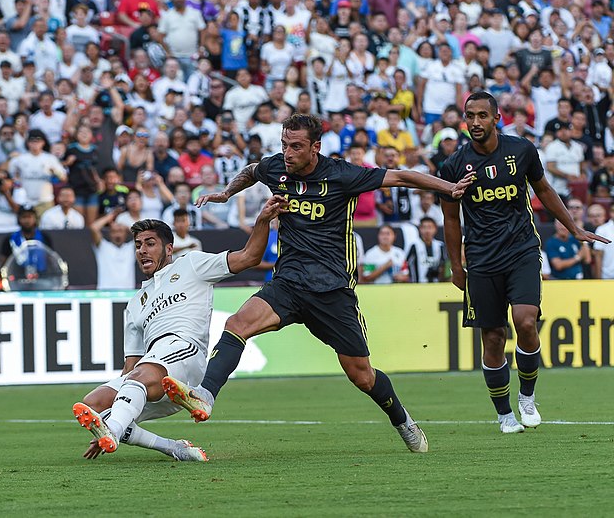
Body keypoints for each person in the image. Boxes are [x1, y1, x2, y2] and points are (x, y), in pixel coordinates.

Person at [162, 113, 474, 453]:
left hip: (332, 290)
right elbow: (252, 171)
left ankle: (403, 420)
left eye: (296, 147)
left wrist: (449, 188)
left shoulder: (343, 175)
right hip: (289, 282)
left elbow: (400, 176)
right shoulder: (277, 168)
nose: (288, 153)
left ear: (316, 147)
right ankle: (205, 395)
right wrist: (226, 193)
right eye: (284, 145)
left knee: (362, 376)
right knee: (237, 324)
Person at [438, 92, 610, 434]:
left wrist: (573, 227)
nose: (475, 122)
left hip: (522, 250)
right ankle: (504, 415)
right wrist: (456, 266)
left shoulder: (521, 150)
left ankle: (527, 397)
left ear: (496, 118)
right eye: (470, 115)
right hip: (482, 259)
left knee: (526, 322)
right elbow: (451, 219)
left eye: (482, 115)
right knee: (493, 337)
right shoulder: (454, 165)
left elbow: (544, 190)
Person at [72, 195, 287, 457]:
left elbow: (249, 257)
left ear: (169, 249)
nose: (142, 250)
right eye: (138, 245)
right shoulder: (135, 303)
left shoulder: (192, 264)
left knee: (135, 385)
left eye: (150, 243)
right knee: (94, 404)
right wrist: (110, 415)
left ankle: (114, 430)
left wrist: (262, 221)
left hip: (186, 355)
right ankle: (172, 447)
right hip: (151, 374)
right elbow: (130, 367)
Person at [89, 208, 136, 290]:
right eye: (114, 231)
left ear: (126, 233)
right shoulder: (103, 246)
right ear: (110, 234)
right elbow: (94, 228)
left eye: (120, 231)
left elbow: (142, 234)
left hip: (128, 292)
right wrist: (111, 216)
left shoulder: (131, 247)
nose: (117, 235)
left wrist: (126, 226)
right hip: (105, 291)